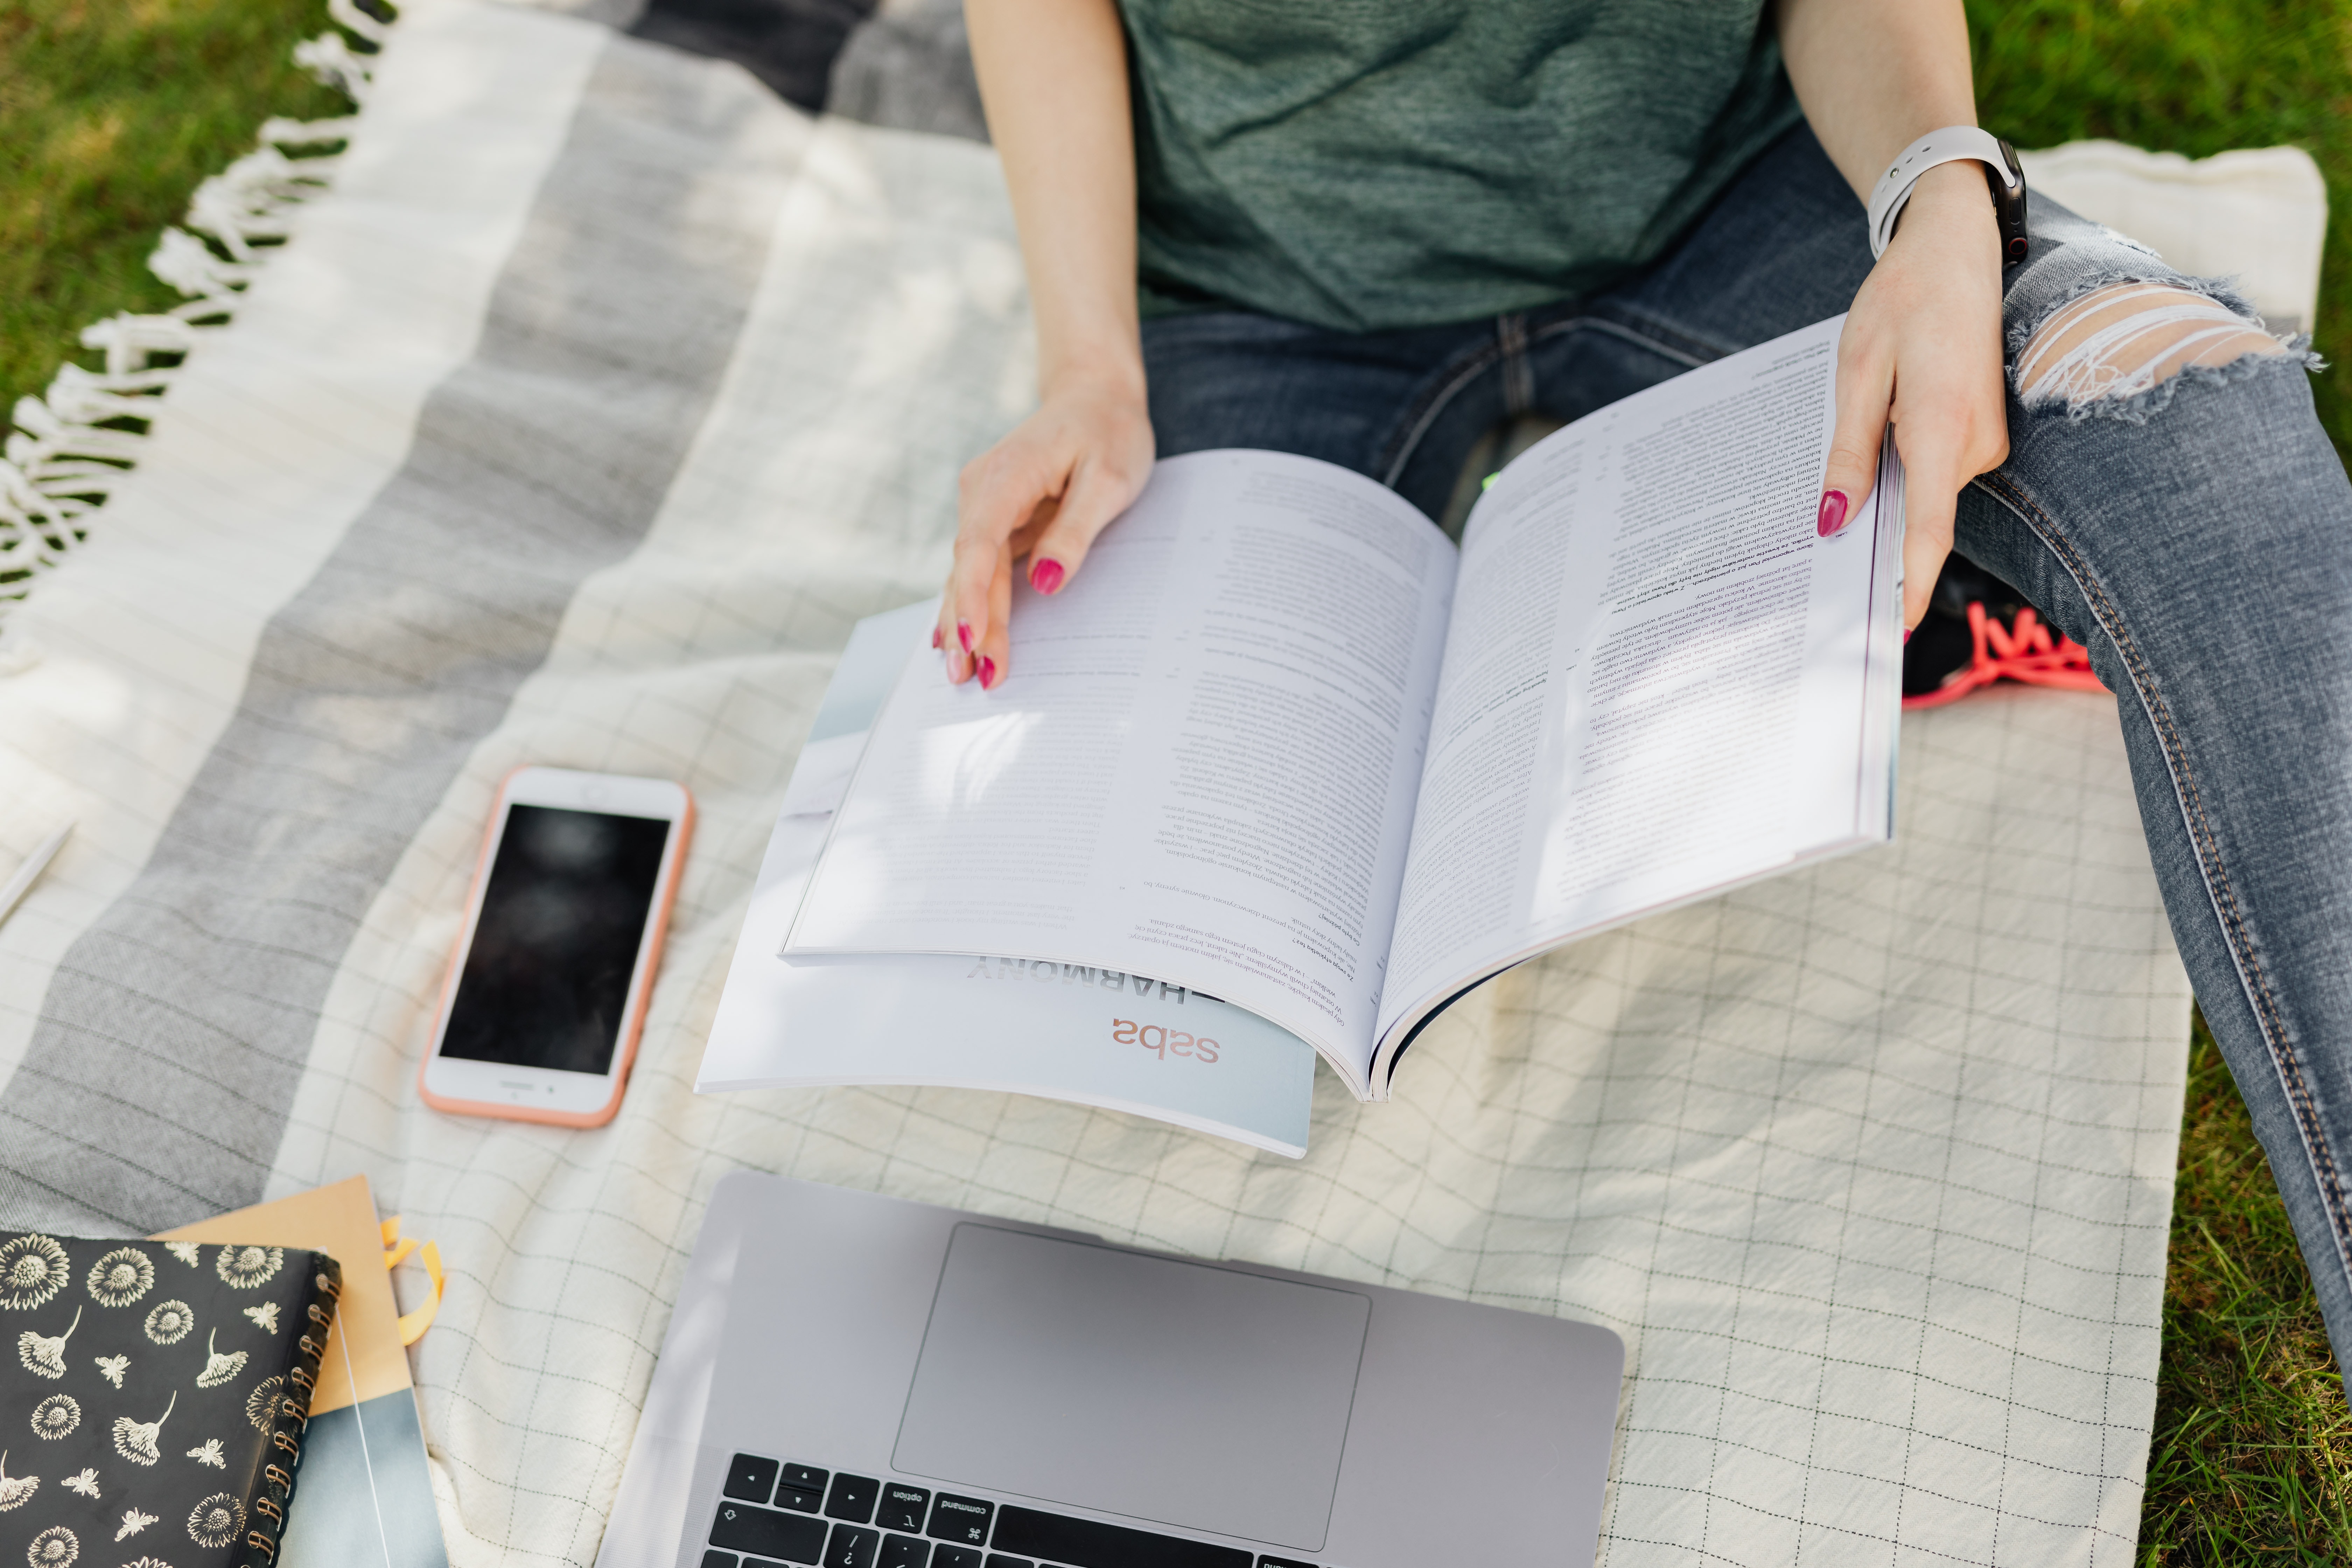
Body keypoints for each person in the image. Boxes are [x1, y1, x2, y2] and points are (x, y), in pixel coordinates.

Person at [929, 0, 2352, 1367]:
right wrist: (1090, 368)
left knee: (2200, 430)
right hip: (1267, 289)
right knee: (1167, 964)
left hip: (1726, 205)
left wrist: (1938, 199)